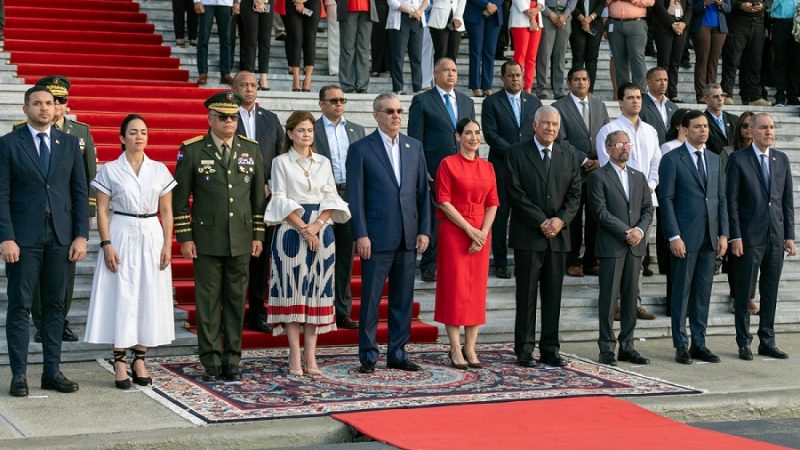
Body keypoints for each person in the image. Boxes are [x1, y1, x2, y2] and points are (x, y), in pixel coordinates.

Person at [0, 85, 89, 397]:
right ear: (26, 109)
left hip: (61, 238)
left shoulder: (70, 144)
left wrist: (81, 235)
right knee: (20, 306)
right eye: (37, 103)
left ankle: (52, 372)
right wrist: (6, 237)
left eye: (49, 103)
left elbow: (80, 192)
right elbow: (1, 195)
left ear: (56, 108)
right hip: (23, 239)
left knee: (54, 306)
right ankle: (19, 375)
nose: (44, 108)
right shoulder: (8, 144)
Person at [173, 92, 266, 382]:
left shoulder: (250, 149)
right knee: (209, 303)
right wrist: (185, 237)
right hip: (207, 239)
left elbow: (257, 198)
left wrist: (258, 234)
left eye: (233, 117)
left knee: (237, 302)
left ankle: (232, 359)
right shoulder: (192, 150)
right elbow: (180, 200)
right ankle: (211, 360)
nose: (229, 122)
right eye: (223, 117)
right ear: (210, 119)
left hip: (241, 237)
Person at [84, 115, 176, 389]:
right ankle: (120, 361)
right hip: (121, 231)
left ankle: (140, 359)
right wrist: (106, 243)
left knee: (148, 293)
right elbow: (102, 210)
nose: (139, 137)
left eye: (143, 132)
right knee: (121, 293)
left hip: (151, 232)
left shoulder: (159, 170)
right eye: (133, 132)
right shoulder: (110, 169)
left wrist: (167, 244)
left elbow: (167, 211)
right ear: (122, 138)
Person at [346, 93, 432, 373]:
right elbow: (355, 196)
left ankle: (397, 353)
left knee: (402, 300)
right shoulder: (360, 149)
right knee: (371, 300)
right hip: (375, 237)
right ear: (376, 115)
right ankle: (368, 355)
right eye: (390, 111)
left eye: (399, 111)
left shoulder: (413, 146)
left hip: (408, 236)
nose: (396, 116)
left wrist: (424, 230)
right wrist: (361, 233)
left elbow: (423, 193)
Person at [265, 110, 350, 375]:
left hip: (321, 231)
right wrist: (304, 228)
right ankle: (294, 354)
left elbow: (332, 197)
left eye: (310, 130)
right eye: (301, 130)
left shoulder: (323, 162)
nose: (306, 134)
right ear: (290, 133)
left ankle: (311, 356)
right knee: (292, 292)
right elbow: (279, 198)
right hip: (291, 231)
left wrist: (316, 226)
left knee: (317, 293)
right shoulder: (280, 162)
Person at [506, 106, 581, 368]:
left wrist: (560, 220)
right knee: (526, 295)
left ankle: (550, 348)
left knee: (553, 296)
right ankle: (525, 349)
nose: (550, 128)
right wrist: (541, 221)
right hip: (528, 236)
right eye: (546, 123)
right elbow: (515, 193)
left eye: (555, 124)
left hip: (558, 237)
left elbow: (575, 194)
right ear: (535, 125)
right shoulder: (516, 153)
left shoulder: (569, 154)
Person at [24, 76, 97, 344]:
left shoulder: (80, 133)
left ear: (67, 104)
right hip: (35, 214)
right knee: (36, 275)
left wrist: (86, 215)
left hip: (66, 215)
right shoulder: (23, 131)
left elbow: (89, 177)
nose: (55, 105)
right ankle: (41, 322)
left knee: (66, 274)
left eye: (61, 100)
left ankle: (60, 321)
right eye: (51, 100)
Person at [658, 110, 728, 365]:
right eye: (698, 126)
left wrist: (724, 233)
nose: (703, 130)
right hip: (684, 238)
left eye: (706, 126)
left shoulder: (715, 159)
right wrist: (674, 236)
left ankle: (699, 343)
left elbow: (721, 198)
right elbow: (666, 200)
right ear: (685, 130)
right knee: (681, 293)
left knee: (702, 293)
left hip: (709, 238)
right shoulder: (672, 159)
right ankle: (681, 344)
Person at [727, 113, 795, 361]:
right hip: (748, 237)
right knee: (745, 292)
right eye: (764, 128)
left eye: (772, 128)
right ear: (752, 131)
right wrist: (735, 236)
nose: (769, 132)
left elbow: (786, 200)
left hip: (775, 236)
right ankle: (743, 341)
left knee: (770, 290)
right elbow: (732, 201)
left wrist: (789, 235)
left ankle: (767, 340)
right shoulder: (738, 159)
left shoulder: (781, 159)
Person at [434, 118, 499, 369]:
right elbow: (443, 201)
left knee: (475, 292)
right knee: (455, 289)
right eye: (468, 133)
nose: (473, 137)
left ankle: (470, 347)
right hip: (455, 231)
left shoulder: (488, 167)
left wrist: (482, 233)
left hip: (481, 232)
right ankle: (454, 346)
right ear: (458, 137)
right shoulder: (448, 164)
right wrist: (470, 230)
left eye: (477, 133)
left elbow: (493, 203)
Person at [596, 83, 661, 319]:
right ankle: (614, 305)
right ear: (620, 101)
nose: (635, 101)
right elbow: (606, 166)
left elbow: (656, 162)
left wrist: (648, 187)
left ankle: (634, 303)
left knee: (637, 256)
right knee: (616, 256)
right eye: (630, 97)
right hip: (616, 202)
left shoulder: (650, 131)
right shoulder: (609, 130)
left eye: (638, 97)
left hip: (645, 202)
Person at [590, 131, 653, 366]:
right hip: (612, 246)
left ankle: (628, 346)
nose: (625, 147)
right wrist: (627, 231)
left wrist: (640, 231)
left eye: (628, 143)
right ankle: (606, 348)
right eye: (619, 144)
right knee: (608, 298)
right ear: (608, 149)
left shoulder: (638, 176)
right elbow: (600, 212)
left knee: (630, 298)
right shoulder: (598, 177)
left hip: (635, 247)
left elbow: (647, 208)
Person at [408, 58, 475, 282]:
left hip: (462, 169)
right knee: (435, 219)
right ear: (435, 74)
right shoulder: (422, 101)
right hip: (435, 170)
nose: (451, 74)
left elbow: (471, 135)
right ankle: (429, 265)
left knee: (461, 216)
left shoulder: (466, 101)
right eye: (446, 70)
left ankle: (454, 263)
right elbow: (415, 139)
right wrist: (422, 167)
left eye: (454, 70)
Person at [233, 71, 284, 333]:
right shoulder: (226, 116)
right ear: (234, 88)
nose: (249, 89)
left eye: (253, 85)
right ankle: (232, 313)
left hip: (265, 199)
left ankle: (257, 312)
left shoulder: (270, 119)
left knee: (261, 260)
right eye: (244, 85)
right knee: (237, 259)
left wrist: (270, 184)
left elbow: (280, 156)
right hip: (236, 199)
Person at [482, 61, 542, 279]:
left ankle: (523, 261)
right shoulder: (491, 102)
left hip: (528, 170)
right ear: (502, 78)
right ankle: (500, 262)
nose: (516, 79)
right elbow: (490, 134)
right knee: (499, 217)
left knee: (525, 216)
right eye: (511, 75)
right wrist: (514, 153)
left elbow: (538, 133)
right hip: (501, 170)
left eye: (518, 75)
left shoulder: (534, 102)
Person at [314, 85, 366, 329]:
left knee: (345, 256)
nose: (338, 104)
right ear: (321, 104)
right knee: (318, 254)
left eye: (342, 100)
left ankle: (342, 310)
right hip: (321, 197)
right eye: (333, 100)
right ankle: (316, 307)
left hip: (349, 195)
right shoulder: (311, 129)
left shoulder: (357, 130)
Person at [553, 67, 609, 277]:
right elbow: (560, 139)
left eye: (584, 79)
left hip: (597, 173)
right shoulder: (559, 107)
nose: (581, 82)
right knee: (573, 218)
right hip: (572, 171)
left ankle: (591, 260)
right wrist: (584, 160)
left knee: (595, 217)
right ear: (569, 83)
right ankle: (572, 260)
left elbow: (607, 134)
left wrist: (601, 159)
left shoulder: (599, 105)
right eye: (576, 79)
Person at [720, 0, 769, 106]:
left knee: (755, 61)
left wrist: (763, 5)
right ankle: (727, 94)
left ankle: (754, 96)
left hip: (758, 22)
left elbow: (769, 1)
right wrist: (740, 5)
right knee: (732, 59)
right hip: (737, 20)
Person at [650, 0, 692, 102]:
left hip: (681, 24)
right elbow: (659, 6)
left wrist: (684, 23)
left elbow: (689, 7)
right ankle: (662, 93)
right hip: (664, 25)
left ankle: (673, 93)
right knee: (664, 62)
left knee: (675, 62)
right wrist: (672, 23)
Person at [276, 0, 322, 91]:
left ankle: (308, 77)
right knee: (296, 37)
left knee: (310, 38)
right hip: (293, 2)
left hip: (312, 2)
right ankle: (296, 78)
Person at [606, 0, 653, 90]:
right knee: (619, 59)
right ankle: (623, 92)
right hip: (614, 23)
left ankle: (640, 92)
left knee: (637, 57)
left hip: (637, 22)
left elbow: (651, 1)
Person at [689, 0, 730, 103]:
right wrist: (705, 3)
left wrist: (720, 3)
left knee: (714, 61)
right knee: (702, 59)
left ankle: (712, 94)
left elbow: (728, 8)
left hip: (720, 28)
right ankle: (701, 94)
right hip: (701, 25)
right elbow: (691, 8)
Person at [536, 0, 576, 99]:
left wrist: (565, 14)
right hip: (546, 15)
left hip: (565, 15)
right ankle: (542, 89)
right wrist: (549, 13)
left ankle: (558, 89)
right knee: (544, 54)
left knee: (560, 56)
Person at [387, 0, 429, 93]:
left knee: (417, 57)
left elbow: (426, 1)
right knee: (398, 56)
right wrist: (410, 11)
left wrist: (419, 11)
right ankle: (398, 87)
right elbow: (392, 2)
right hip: (400, 18)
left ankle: (418, 87)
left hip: (417, 19)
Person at [464, 0, 502, 97]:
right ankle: (475, 86)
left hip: (495, 13)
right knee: (476, 51)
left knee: (490, 52)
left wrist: (494, 6)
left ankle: (487, 86)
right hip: (475, 11)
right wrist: (486, 4)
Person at [195, 0, 238, 85]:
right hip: (206, 3)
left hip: (226, 4)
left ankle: (225, 73)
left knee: (226, 40)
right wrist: (196, 1)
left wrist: (237, 2)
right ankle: (202, 73)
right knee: (203, 39)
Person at [568, 0, 604, 93]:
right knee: (578, 58)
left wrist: (590, 18)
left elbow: (601, 3)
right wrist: (582, 19)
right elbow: (571, 3)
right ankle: (576, 89)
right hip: (577, 24)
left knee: (592, 59)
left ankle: (589, 91)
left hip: (595, 24)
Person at [337, 0, 373, 93]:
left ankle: (362, 85)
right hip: (348, 8)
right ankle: (347, 84)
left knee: (364, 50)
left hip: (367, 9)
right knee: (348, 49)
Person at [238, 0, 274, 90]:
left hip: (267, 2)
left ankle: (263, 77)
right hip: (248, 3)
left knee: (265, 41)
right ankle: (251, 77)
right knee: (250, 41)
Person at [770, 0, 800, 105]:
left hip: (798, 22)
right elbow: (771, 6)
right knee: (780, 59)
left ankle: (793, 95)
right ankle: (780, 96)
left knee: (796, 62)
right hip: (781, 22)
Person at [509, 0, 542, 93]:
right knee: (520, 56)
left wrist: (537, 8)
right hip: (521, 17)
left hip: (536, 16)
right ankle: (517, 86)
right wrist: (531, 16)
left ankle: (528, 88)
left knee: (532, 57)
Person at [640, 67, 678, 147]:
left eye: (665, 80)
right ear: (649, 83)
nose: (663, 83)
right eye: (658, 80)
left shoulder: (673, 107)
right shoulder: (640, 105)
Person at [702, 84, 737, 156]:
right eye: (715, 96)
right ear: (705, 99)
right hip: (713, 160)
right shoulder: (701, 121)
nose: (720, 99)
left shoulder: (734, 119)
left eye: (722, 95)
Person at [428, 0, 466, 64]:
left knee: (453, 54)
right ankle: (439, 70)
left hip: (456, 18)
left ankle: (450, 71)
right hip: (438, 17)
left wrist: (458, 16)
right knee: (441, 54)